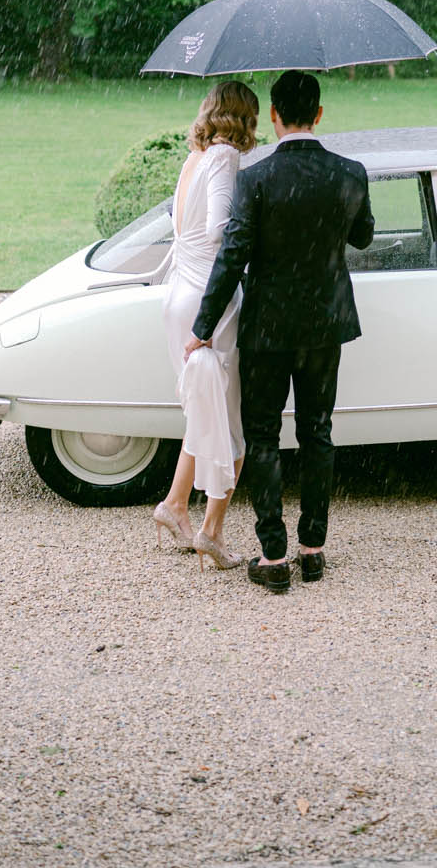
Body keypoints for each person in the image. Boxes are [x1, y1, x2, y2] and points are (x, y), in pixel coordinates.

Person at [187, 69, 374, 592]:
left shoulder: (255, 179)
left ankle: (273, 555)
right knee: (318, 432)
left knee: (264, 436)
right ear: (318, 114)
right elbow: (362, 237)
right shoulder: (350, 173)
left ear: (273, 116)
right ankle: (313, 549)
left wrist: (202, 327)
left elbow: (231, 257)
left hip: (267, 329)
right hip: (324, 325)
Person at [152, 79, 260, 569]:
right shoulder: (224, 159)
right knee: (229, 418)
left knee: (201, 406)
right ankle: (212, 532)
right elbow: (220, 228)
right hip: (209, 301)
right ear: (245, 119)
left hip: (178, 297)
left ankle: (175, 506)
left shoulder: (192, 160)